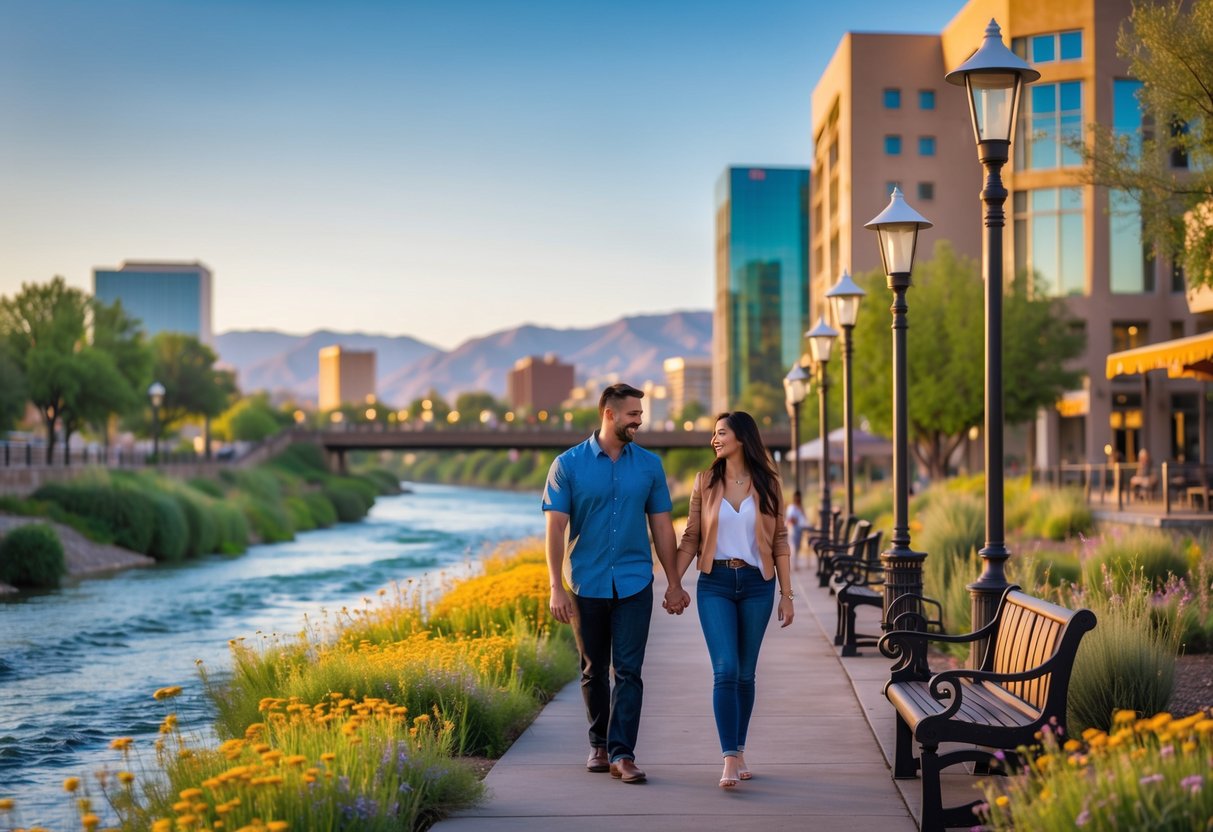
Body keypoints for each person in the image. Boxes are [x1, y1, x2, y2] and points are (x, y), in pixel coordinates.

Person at [542, 382, 688, 785]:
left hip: (634, 581)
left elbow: (662, 526)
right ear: (609, 414)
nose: (639, 421)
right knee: (593, 670)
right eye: (633, 415)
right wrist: (555, 586)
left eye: (640, 415)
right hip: (585, 581)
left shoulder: (649, 466)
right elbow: (555, 529)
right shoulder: (567, 465)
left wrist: (673, 581)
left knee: (629, 670)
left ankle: (623, 754)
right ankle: (599, 745)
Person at [668, 410, 795, 789]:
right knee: (725, 669)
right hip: (716, 583)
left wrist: (787, 596)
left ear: (742, 436)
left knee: (744, 673)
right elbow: (691, 537)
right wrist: (673, 582)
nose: (715, 439)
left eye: (721, 432)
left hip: (758, 584)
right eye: (714, 433)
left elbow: (780, 541)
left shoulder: (768, 483)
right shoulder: (705, 481)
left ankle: (739, 749)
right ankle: (728, 758)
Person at [785, 490, 808, 567]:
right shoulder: (792, 507)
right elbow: (790, 519)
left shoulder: (801, 507)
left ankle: (795, 563)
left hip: (800, 528)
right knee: (793, 547)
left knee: (798, 547)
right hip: (793, 529)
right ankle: (793, 564)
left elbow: (804, 518)